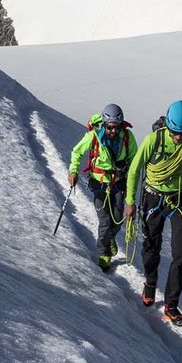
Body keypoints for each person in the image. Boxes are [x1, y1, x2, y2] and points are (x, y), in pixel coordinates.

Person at [125, 99, 182, 325]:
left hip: (180, 197)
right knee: (151, 245)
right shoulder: (154, 139)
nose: (178, 137)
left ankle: (172, 304)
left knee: (181, 253)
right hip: (153, 196)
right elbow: (134, 170)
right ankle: (150, 282)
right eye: (174, 132)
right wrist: (129, 202)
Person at [67, 103, 136, 271]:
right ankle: (104, 253)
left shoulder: (127, 137)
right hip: (99, 183)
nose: (113, 131)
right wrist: (73, 171)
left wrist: (128, 168)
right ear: (105, 123)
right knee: (105, 220)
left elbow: (135, 158)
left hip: (119, 182)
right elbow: (77, 151)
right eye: (110, 127)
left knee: (118, 218)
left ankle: (109, 238)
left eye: (116, 127)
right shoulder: (93, 136)